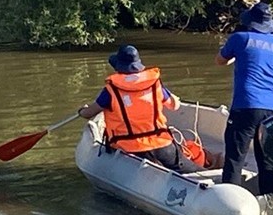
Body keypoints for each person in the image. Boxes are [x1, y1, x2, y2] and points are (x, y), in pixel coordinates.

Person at [214, 1, 273, 193]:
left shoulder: (239, 39)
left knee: (235, 158)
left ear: (250, 21)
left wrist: (235, 56)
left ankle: (230, 196)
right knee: (268, 161)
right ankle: (270, 197)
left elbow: (220, 61)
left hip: (245, 108)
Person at [79, 45, 212, 172]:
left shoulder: (111, 90)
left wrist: (82, 110)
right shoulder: (154, 84)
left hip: (130, 147)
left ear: (118, 67)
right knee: (193, 170)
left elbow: (89, 113)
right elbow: (174, 106)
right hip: (162, 144)